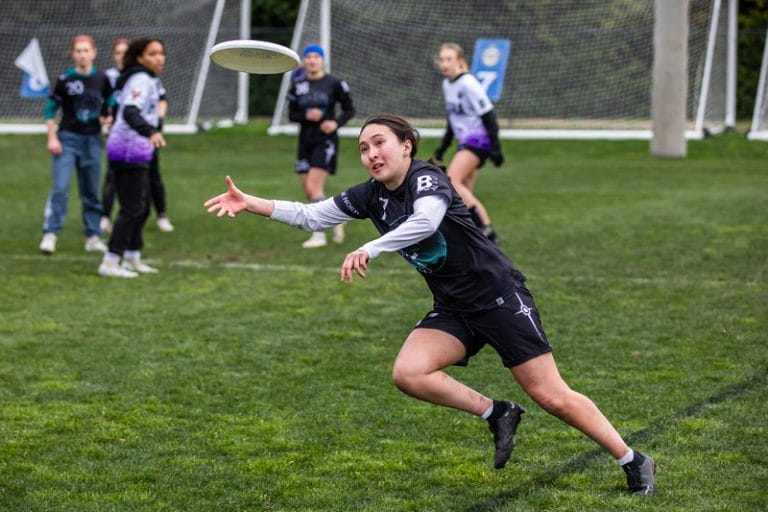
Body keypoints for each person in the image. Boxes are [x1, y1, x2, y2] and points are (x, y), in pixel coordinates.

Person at [203, 113, 657, 495]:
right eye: (363, 148)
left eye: (379, 143)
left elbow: (426, 221)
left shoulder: (428, 178)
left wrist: (371, 247)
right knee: (409, 373)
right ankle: (497, 411)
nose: (371, 154)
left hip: (499, 297)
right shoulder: (370, 194)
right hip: (454, 307)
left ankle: (632, 459)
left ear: (406, 146)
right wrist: (251, 203)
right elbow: (311, 215)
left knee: (551, 396)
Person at [98, 38, 166, 278]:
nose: (160, 58)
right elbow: (129, 111)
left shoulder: (149, 80)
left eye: (161, 53)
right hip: (126, 148)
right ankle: (110, 261)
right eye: (152, 54)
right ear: (140, 58)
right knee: (132, 208)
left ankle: (131, 257)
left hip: (138, 148)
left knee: (143, 206)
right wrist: (152, 131)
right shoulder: (140, 79)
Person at [39, 34, 113, 255]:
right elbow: (50, 111)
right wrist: (52, 137)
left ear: (94, 52)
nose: (82, 54)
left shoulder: (102, 78)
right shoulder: (65, 80)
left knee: (91, 191)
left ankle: (92, 236)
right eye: (78, 51)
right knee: (60, 189)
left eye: (86, 50)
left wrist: (107, 117)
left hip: (92, 141)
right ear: (72, 54)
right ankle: (50, 233)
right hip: (67, 140)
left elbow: (110, 103)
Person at [432, 42, 503, 245]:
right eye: (442, 59)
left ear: (460, 62)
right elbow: (452, 120)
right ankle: (471, 234)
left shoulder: (469, 83)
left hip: (478, 141)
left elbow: (488, 115)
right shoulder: (447, 85)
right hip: (464, 143)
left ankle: (485, 228)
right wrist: (443, 148)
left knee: (451, 180)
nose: (444, 64)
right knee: (463, 192)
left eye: (449, 59)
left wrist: (496, 149)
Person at [286, 44, 355, 248]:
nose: (312, 60)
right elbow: (291, 114)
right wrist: (306, 115)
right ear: (304, 61)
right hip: (305, 141)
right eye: (308, 57)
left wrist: (335, 123)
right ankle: (338, 215)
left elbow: (349, 110)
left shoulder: (335, 83)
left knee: (314, 187)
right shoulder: (298, 84)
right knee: (309, 191)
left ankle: (318, 236)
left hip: (326, 141)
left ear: (322, 60)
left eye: (316, 56)